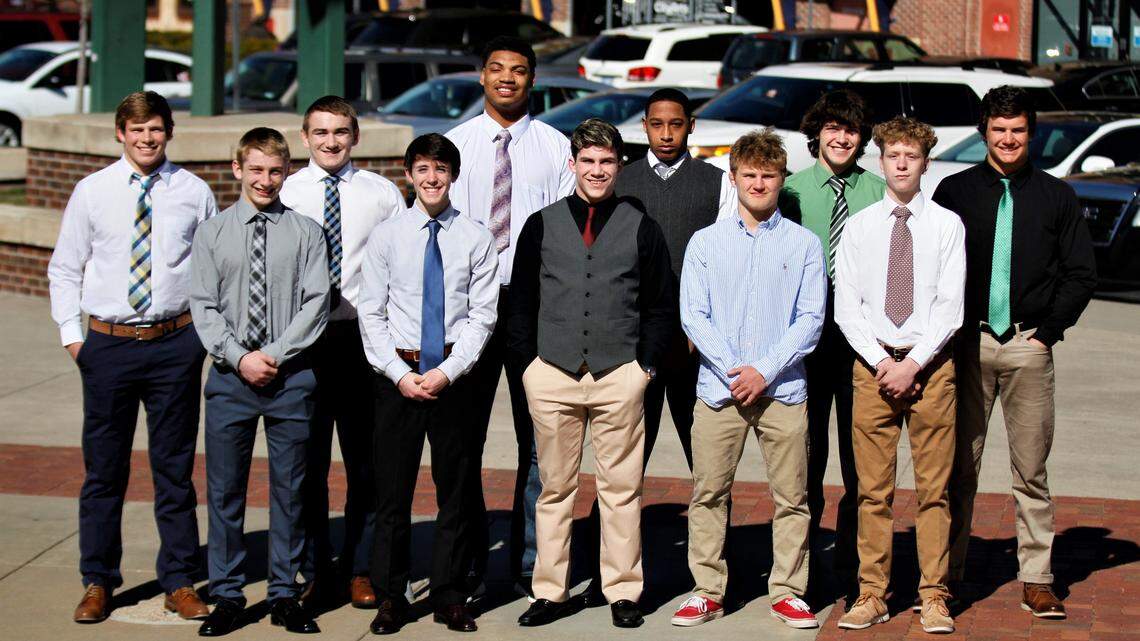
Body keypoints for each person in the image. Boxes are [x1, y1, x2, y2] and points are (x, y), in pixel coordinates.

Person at [47, 91, 216, 624]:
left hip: (174, 347)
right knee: (104, 471)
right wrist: (75, 339)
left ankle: (180, 579)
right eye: (137, 130)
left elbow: (213, 270)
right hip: (108, 347)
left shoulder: (193, 191)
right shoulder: (92, 191)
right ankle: (98, 580)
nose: (147, 139)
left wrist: (201, 340)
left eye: (157, 129)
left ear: (169, 132)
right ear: (120, 133)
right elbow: (65, 268)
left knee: (174, 469)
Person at [933, 86, 1097, 619]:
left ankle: (1038, 577)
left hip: (1028, 346)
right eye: (999, 129)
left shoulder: (1057, 196)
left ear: (1031, 134)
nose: (1008, 139)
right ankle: (947, 575)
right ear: (985, 132)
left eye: (1018, 130)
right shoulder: (954, 192)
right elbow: (933, 269)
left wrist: (1048, 333)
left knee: (1031, 471)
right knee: (959, 468)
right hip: (966, 346)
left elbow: (1080, 274)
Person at [508, 118, 674, 629]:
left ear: (618, 165)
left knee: (620, 488)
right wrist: (527, 368)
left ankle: (623, 590)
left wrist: (644, 367)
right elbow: (520, 303)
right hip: (552, 371)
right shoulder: (540, 223)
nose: (597, 170)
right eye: (588, 161)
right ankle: (550, 591)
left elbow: (660, 305)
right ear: (572, 164)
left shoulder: (642, 227)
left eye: (606, 161)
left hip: (618, 372)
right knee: (554, 487)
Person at [671, 128, 825, 630]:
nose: (759, 183)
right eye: (750, 175)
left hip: (783, 389)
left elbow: (810, 319)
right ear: (733, 177)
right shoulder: (705, 243)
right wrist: (738, 371)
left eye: (769, 175)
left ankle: (787, 589)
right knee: (709, 492)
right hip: (719, 391)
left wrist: (764, 370)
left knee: (792, 497)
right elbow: (693, 315)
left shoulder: (803, 244)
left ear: (783, 179)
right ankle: (707, 590)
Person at [445, 35, 575, 598]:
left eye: (518, 71)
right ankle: (468, 560)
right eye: (497, 69)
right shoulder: (454, 145)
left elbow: (570, 236)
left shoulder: (555, 148)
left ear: (532, 80)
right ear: (481, 76)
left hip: (533, 310)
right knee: (462, 441)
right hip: (467, 312)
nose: (507, 78)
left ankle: (531, 563)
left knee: (539, 442)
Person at [358, 133, 499, 635]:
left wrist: (446, 372)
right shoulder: (387, 236)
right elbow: (370, 312)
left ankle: (449, 594)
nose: (432, 177)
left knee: (455, 492)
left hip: (453, 379)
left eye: (441, 168)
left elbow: (482, 317)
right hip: (397, 377)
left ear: (453, 175)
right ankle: (392, 596)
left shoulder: (476, 238)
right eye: (422, 168)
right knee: (392, 495)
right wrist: (400, 374)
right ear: (409, 174)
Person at [190, 127, 330, 636]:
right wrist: (239, 356)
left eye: (275, 170)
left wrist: (270, 354)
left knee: (290, 491)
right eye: (256, 170)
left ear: (287, 172)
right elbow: (202, 305)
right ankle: (226, 594)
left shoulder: (307, 231)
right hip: (230, 379)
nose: (265, 180)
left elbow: (316, 303)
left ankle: (283, 593)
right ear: (237, 170)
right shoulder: (212, 233)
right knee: (226, 491)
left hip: (290, 377)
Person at [833, 117, 965, 634]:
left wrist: (913, 363)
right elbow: (848, 308)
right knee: (873, 490)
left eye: (912, 155)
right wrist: (884, 362)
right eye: (893, 155)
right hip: (873, 368)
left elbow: (950, 308)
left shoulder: (946, 225)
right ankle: (872, 592)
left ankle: (934, 594)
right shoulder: (861, 226)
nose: (903, 163)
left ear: (926, 162)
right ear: (880, 161)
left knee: (935, 489)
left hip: (931, 367)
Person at [281, 95, 405, 609]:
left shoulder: (380, 194)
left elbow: (401, 261)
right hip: (303, 342)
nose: (331, 142)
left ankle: (359, 568)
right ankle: (313, 567)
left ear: (355, 136)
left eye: (340, 132)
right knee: (306, 463)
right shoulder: (287, 190)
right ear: (305, 138)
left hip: (359, 339)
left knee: (365, 464)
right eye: (320, 132)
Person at [779, 89, 885, 595]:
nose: (842, 137)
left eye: (852, 130)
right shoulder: (791, 191)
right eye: (833, 128)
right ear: (816, 133)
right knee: (807, 457)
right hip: (807, 340)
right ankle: (806, 564)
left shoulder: (878, 192)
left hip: (863, 341)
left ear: (861, 138)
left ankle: (853, 563)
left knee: (860, 459)